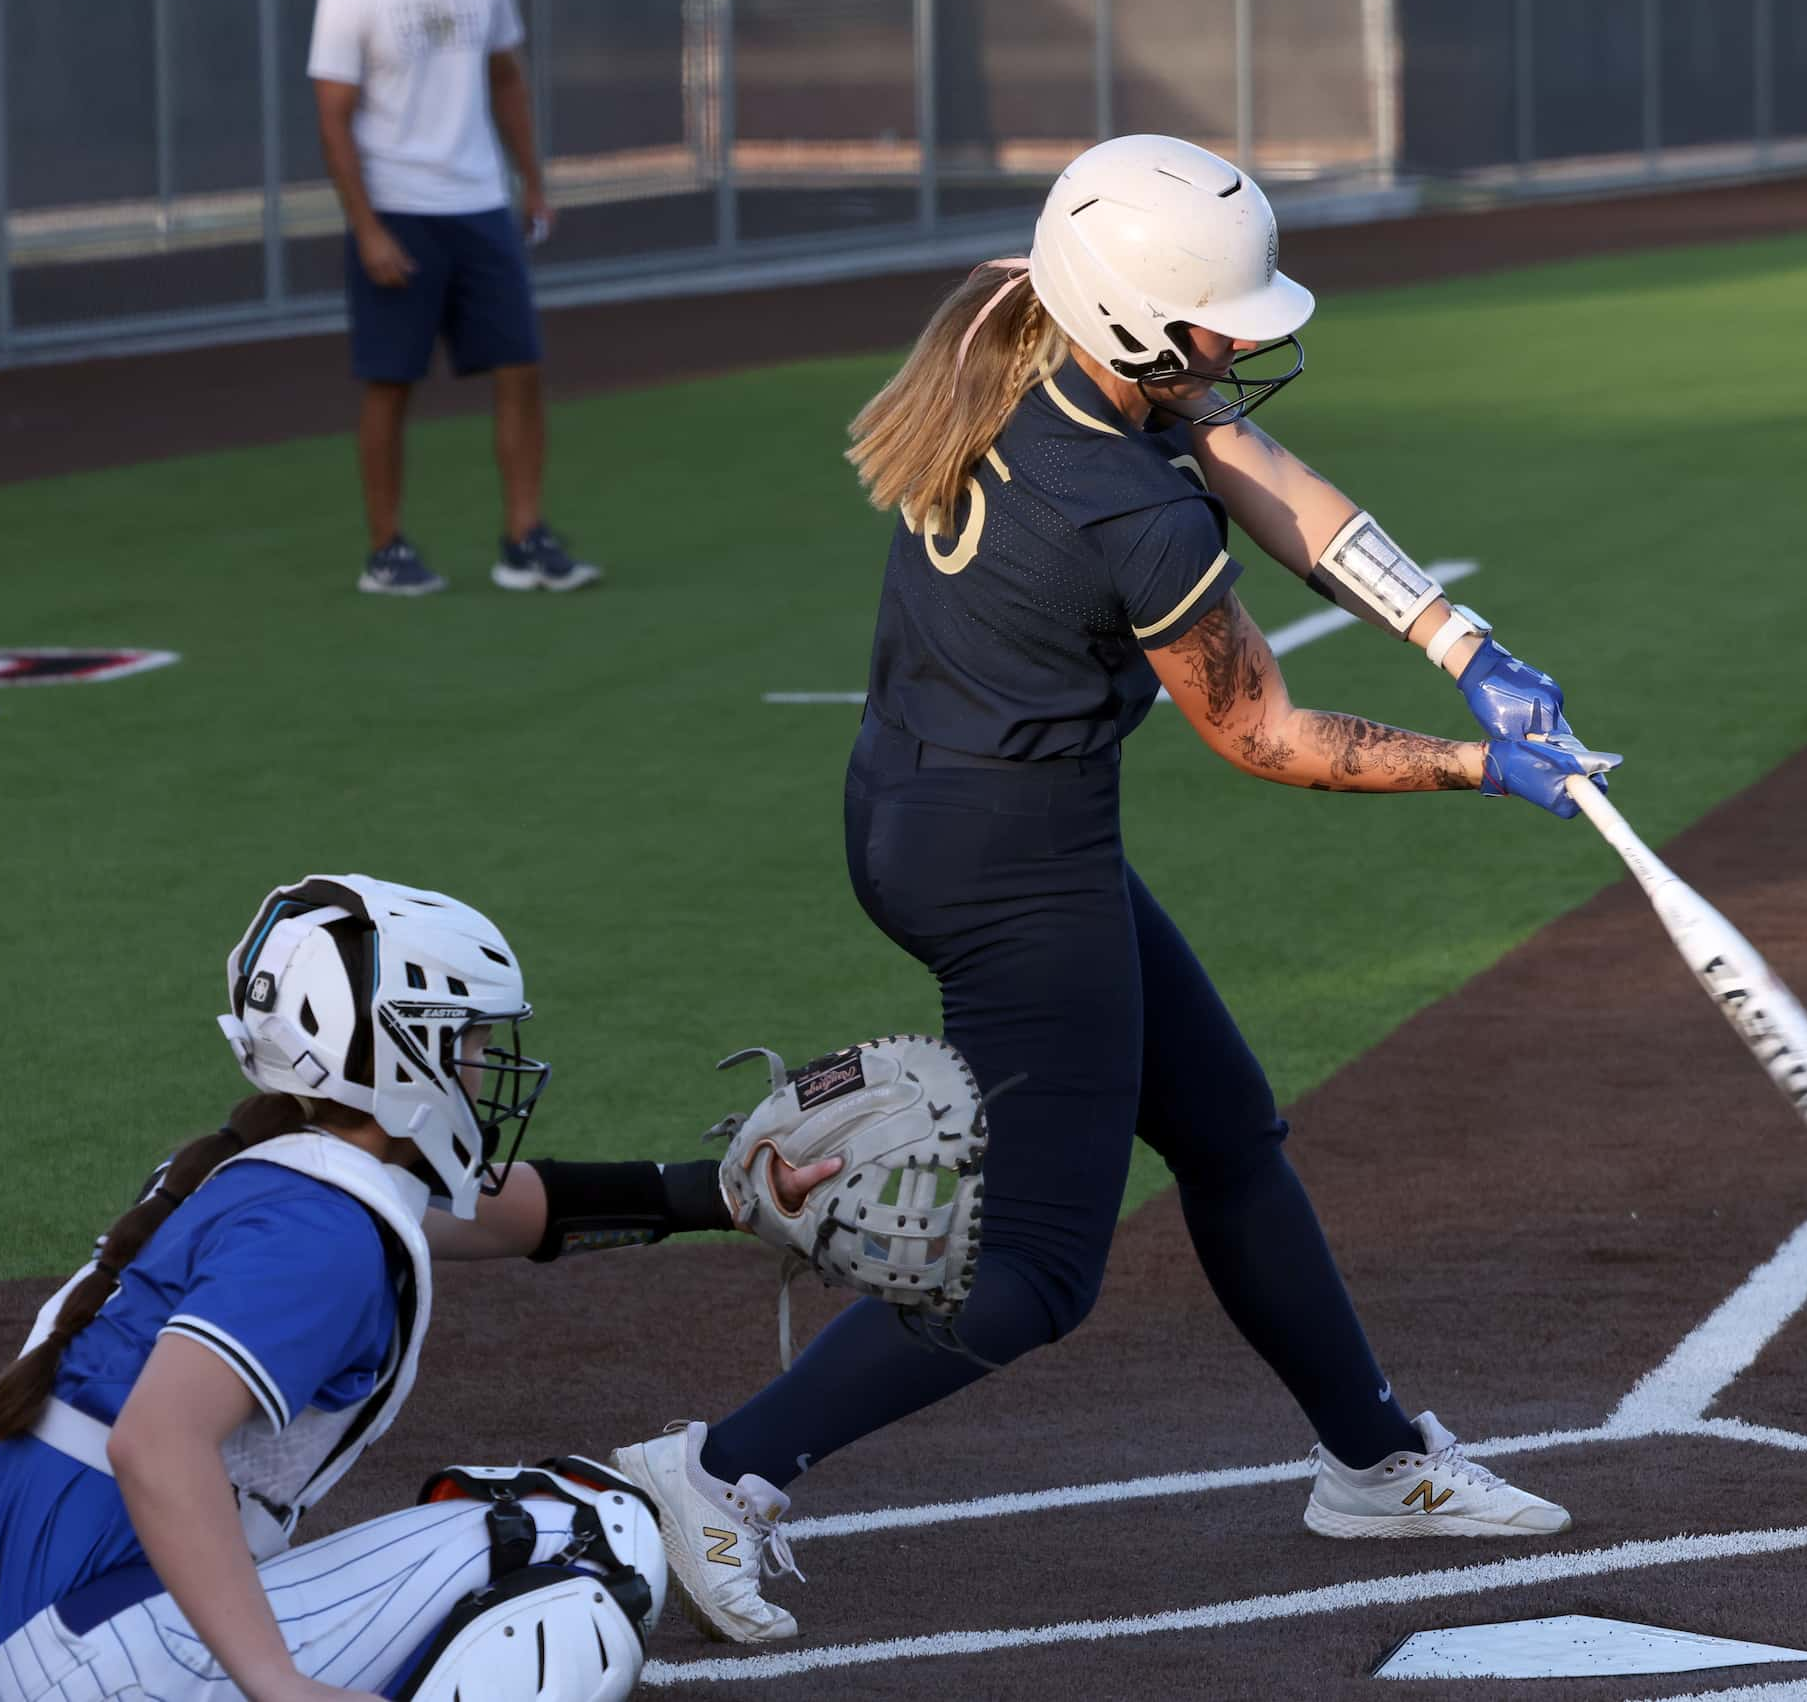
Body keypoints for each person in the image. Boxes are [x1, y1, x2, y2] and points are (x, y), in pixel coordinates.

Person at [609, 134, 1619, 1645]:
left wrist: (1460, 640)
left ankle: (1371, 1455)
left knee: (1225, 1131)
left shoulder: (1017, 320)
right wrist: (1484, 767)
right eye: (1223, 323)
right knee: (1031, 1271)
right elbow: (1265, 732)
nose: (1246, 346)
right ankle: (718, 1468)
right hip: (1012, 864)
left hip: (924, 801)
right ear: (1143, 323)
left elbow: (1251, 462)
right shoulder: (1127, 518)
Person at [0, 873, 836, 1700]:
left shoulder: (274, 1169)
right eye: (471, 1033)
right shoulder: (317, 1234)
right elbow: (157, 1445)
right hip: (84, 1664)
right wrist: (278, 1685)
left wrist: (728, 1194)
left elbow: (511, 1211)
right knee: (593, 1543)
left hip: (1, 1642)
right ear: (405, 1049)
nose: (486, 1060)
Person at [309, 0, 600, 598]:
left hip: (479, 204)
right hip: (400, 211)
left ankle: (524, 537)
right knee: (391, 382)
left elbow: (505, 78)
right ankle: (386, 549)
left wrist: (531, 181)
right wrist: (367, 227)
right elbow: (333, 118)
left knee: (521, 368)